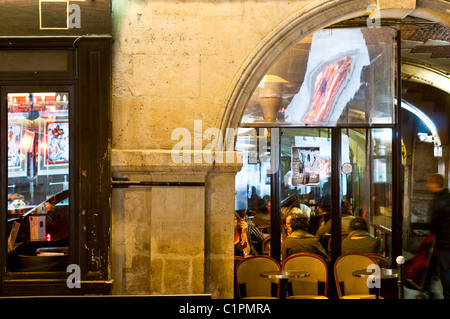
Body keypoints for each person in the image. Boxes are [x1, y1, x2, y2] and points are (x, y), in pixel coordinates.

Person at [427, 173, 450, 299]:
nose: (427, 185)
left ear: (435, 184)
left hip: (445, 241)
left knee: (445, 270)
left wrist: (433, 233)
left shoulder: (437, 200)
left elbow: (434, 223)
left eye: (429, 183)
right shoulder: (448, 196)